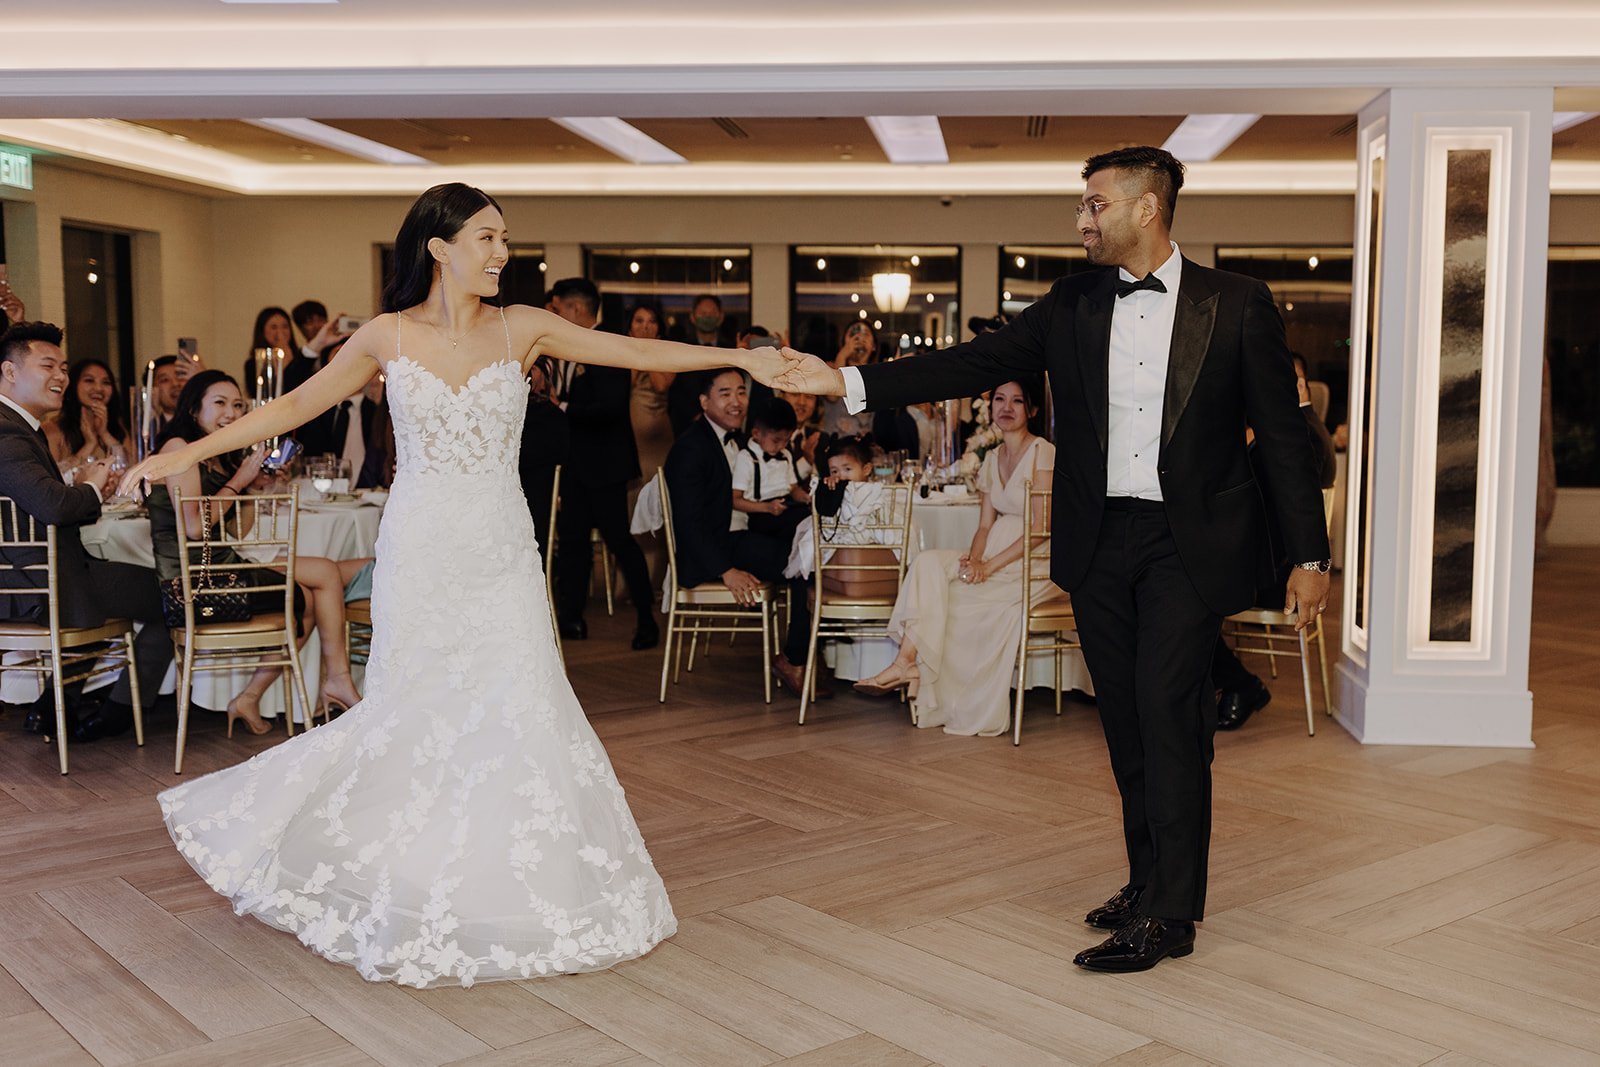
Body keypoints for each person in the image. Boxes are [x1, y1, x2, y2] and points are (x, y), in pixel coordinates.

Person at [119, 181, 792, 989]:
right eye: (486, 237)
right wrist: (187, 453)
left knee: (522, 698)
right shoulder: (385, 335)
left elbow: (641, 354)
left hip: (500, 545)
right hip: (423, 547)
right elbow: (294, 406)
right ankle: (402, 871)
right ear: (438, 247)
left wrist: (740, 356)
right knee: (417, 706)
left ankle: (518, 884)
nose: (502, 252)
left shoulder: (528, 327)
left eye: (505, 237)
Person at [774, 146, 1331, 973]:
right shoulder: (1071, 302)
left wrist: (1311, 553)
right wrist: (850, 384)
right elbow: (968, 363)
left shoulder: (1237, 304)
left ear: (1148, 207)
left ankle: (1171, 915)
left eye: (1095, 205)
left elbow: (1284, 441)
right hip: (1097, 538)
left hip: (1190, 543)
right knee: (1128, 721)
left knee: (1168, 708)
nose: (1081, 220)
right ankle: (1148, 880)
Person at [146, 369, 366, 736]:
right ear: (193, 409)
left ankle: (251, 696)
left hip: (223, 568)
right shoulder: (178, 448)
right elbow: (193, 528)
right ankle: (337, 681)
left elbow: (236, 531)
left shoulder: (218, 456)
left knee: (307, 600)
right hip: (195, 583)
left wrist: (256, 488)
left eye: (238, 405)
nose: (231, 413)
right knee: (325, 574)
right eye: (219, 404)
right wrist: (240, 481)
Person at [853, 380, 1056, 736]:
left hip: (1033, 563)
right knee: (928, 563)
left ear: (1032, 410)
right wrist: (973, 562)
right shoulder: (992, 458)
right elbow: (983, 526)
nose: (1006, 408)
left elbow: (1041, 528)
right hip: (993, 551)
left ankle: (908, 665)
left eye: (1017, 401)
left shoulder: (1043, 452)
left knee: (957, 603)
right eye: (999, 400)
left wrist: (988, 566)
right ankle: (905, 662)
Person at [0, 322, 169, 742]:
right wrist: (91, 485)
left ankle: (54, 706)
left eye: (63, 367)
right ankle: (118, 711)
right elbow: (53, 505)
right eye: (48, 366)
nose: (61, 376)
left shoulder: (20, 425)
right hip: (36, 584)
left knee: (125, 584)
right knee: (175, 596)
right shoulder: (6, 431)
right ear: (10, 372)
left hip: (43, 573)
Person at [663, 368, 825, 698]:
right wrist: (726, 570)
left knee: (809, 543)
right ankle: (795, 658)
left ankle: (807, 652)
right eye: (725, 394)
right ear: (704, 401)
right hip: (719, 549)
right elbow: (688, 524)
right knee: (802, 562)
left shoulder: (739, 439)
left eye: (741, 392)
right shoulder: (690, 449)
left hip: (742, 533)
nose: (736, 401)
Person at [1213, 353, 1339, 730]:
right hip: (1266, 563)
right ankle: (1226, 686)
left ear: (1300, 385)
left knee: (1187, 602)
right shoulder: (1297, 428)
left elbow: (1281, 513)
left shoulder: (1302, 438)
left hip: (1279, 577)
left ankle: (1238, 685)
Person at [545, 277, 659, 651]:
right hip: (575, 466)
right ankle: (571, 618)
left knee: (621, 544)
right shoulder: (567, 347)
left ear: (576, 309)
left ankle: (647, 620)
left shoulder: (608, 344)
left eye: (559, 309)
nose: (555, 316)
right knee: (573, 545)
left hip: (606, 467)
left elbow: (610, 406)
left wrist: (561, 406)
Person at [732, 397, 809, 539]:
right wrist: (767, 507)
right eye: (776, 440)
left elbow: (792, 488)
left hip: (784, 507)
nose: (782, 446)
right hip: (760, 513)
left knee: (808, 516)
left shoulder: (786, 455)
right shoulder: (746, 458)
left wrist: (805, 498)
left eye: (786, 440)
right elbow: (735, 500)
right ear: (756, 434)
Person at [518, 355, 570, 558]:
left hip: (539, 493)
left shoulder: (550, 414)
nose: (528, 374)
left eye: (534, 369)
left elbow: (561, 456)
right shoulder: (512, 412)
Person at [45, 358, 132, 478]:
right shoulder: (52, 429)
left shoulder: (118, 427)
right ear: (73, 384)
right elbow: (53, 479)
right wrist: (90, 444)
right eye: (89, 381)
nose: (98, 388)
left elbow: (133, 469)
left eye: (106, 382)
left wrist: (105, 434)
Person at [666, 293, 730, 435]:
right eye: (703, 313)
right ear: (693, 317)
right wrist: (695, 415)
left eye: (712, 313)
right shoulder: (682, 348)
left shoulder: (730, 349)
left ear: (721, 317)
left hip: (725, 423)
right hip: (688, 425)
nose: (707, 317)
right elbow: (676, 392)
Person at [624, 300, 674, 482]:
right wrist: (635, 351)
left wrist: (647, 351)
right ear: (630, 327)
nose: (645, 326)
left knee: (660, 483)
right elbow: (624, 388)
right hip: (631, 429)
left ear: (659, 327)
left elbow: (661, 385)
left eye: (651, 321)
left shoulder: (669, 354)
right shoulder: (620, 354)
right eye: (639, 321)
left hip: (659, 431)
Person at [816, 321, 876, 437]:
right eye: (854, 334)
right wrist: (843, 355)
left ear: (874, 346)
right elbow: (833, 395)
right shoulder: (830, 369)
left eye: (866, 334)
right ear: (844, 341)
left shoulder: (876, 375)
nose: (859, 338)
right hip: (837, 442)